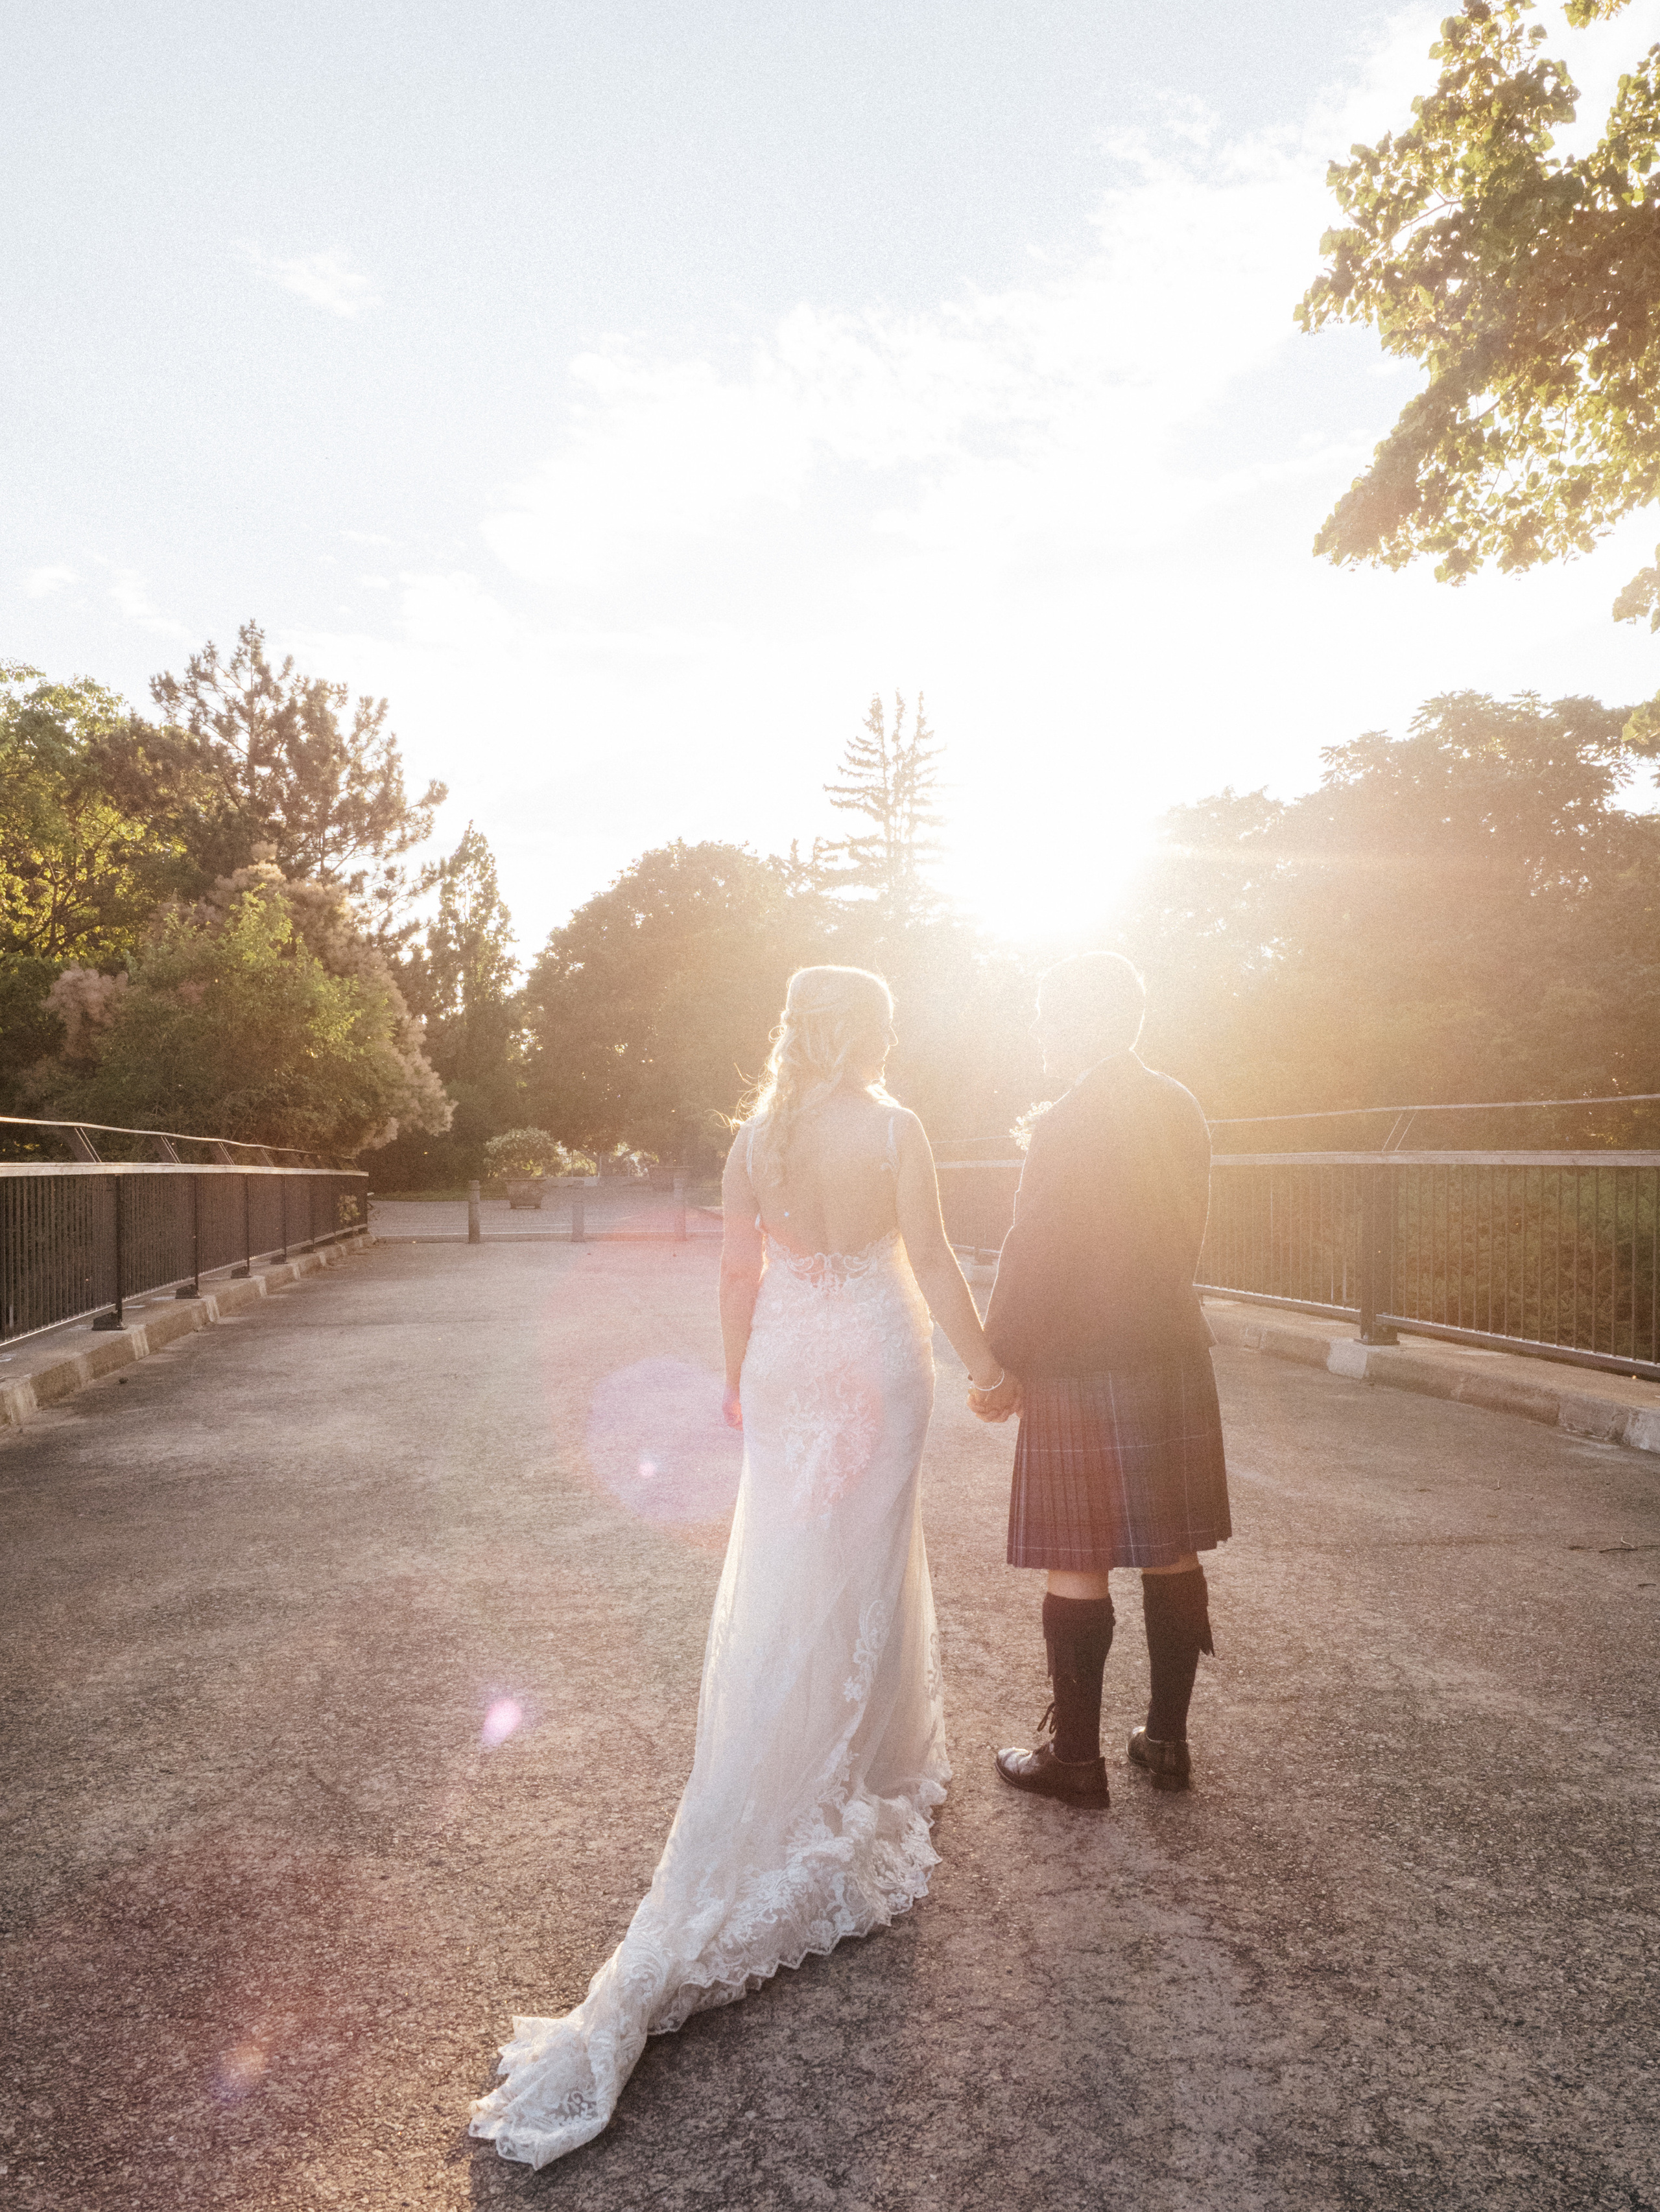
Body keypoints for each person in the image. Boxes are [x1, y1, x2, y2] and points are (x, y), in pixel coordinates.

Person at [469, 965, 1008, 2168]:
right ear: (873, 1031)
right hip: (877, 1354)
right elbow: (931, 1254)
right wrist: (986, 1367)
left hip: (789, 1359)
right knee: (866, 1557)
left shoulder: (755, 1141)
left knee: (791, 1568)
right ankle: (855, 1767)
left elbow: (735, 1273)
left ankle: (824, 1749)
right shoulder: (897, 1128)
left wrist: (733, 1376)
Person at [971, 952, 1230, 1807]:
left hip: (1081, 1361)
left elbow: (1033, 1250)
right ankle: (1167, 1742)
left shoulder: (1067, 1119)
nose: (1041, 1031)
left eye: (1049, 1015)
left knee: (1076, 1553)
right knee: (1170, 1546)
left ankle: (1075, 1761)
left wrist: (1000, 1359)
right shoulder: (1179, 1102)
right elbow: (1189, 1230)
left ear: (1077, 1021)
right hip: (1170, 1348)